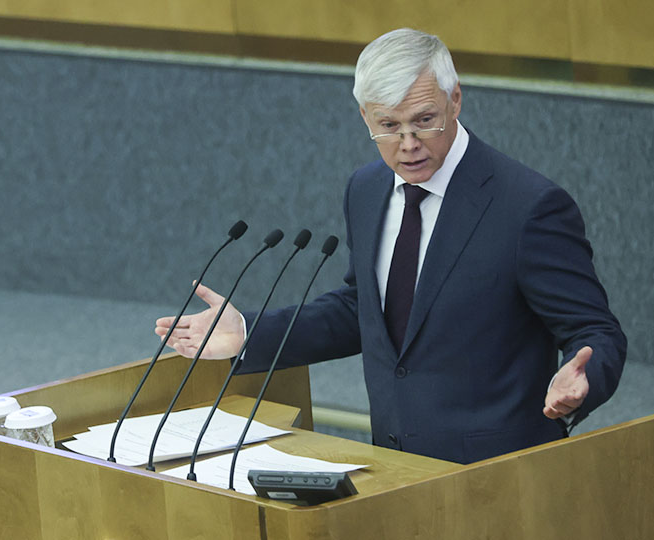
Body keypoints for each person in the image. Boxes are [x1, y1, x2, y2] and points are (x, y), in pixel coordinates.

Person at [154, 28, 627, 464]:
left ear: (455, 100)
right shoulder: (367, 189)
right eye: (388, 125)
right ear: (364, 116)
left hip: (497, 474)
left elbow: (596, 331)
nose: (408, 144)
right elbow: (363, 311)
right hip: (394, 467)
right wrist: (248, 332)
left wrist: (583, 379)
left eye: (424, 121)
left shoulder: (528, 206)